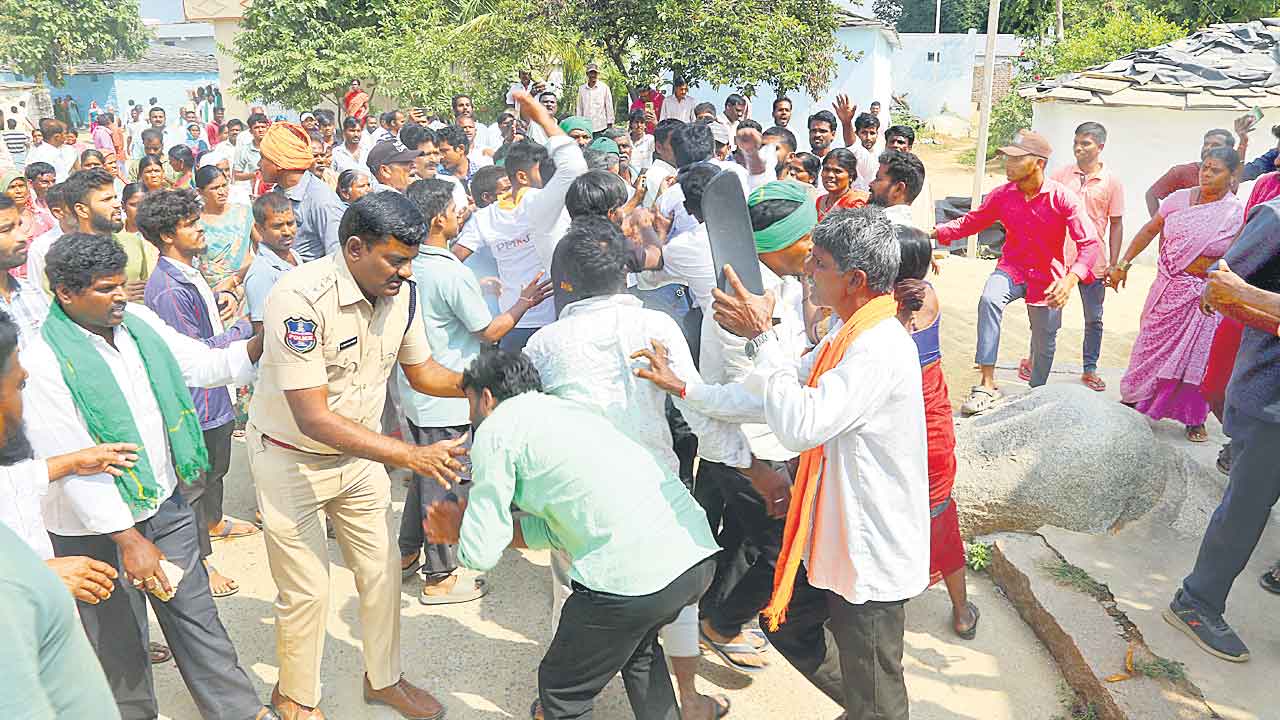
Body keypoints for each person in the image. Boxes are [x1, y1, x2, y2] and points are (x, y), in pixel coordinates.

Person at [637, 206, 928, 720]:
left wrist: (761, 335)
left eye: (819, 263)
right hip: (833, 535)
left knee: (880, 692)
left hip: (870, 548)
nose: (808, 272)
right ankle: (864, 705)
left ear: (855, 279)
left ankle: (871, 708)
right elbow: (768, 397)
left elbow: (798, 423)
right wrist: (684, 387)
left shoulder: (879, 346)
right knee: (788, 624)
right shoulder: (847, 334)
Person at [24, 231, 277, 720]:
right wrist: (128, 540)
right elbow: (80, 466)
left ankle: (240, 711)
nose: (120, 296)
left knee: (196, 617)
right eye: (104, 288)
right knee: (119, 640)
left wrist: (262, 339)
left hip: (164, 502)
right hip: (93, 530)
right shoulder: (44, 361)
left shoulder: (138, 323)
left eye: (121, 284)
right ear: (66, 293)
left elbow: (202, 364)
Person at [247, 191, 465, 720]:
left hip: (360, 458)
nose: (406, 272)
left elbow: (423, 372)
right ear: (353, 248)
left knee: (382, 572)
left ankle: (384, 679)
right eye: (395, 259)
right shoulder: (298, 299)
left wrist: (483, 384)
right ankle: (296, 696)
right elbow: (313, 418)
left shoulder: (402, 293)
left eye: (410, 260)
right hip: (290, 457)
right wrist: (409, 456)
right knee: (308, 589)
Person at [526, 216, 751, 719]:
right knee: (646, 629)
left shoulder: (544, 345)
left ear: (564, 285)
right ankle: (683, 701)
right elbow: (699, 411)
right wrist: (748, 463)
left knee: (572, 644)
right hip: (666, 509)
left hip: (590, 517)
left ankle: (569, 688)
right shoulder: (657, 324)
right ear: (627, 274)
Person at [424, 348, 718, 720]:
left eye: (470, 406)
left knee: (562, 688)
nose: (472, 418)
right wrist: (487, 527)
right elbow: (562, 526)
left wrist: (457, 530)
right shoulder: (570, 411)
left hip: (629, 582)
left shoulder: (496, 429)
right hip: (692, 559)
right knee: (638, 650)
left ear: (485, 397)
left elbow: (481, 554)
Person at [396, 178, 550, 606]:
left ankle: (406, 552)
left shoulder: (410, 264)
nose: (460, 213)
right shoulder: (450, 271)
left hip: (417, 393)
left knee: (425, 473)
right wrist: (525, 302)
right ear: (438, 219)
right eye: (454, 208)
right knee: (445, 481)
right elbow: (490, 330)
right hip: (446, 394)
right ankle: (440, 575)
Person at [1163, 197, 1280, 664]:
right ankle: (1196, 602)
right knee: (1246, 511)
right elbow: (1220, 290)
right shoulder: (1275, 217)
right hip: (1270, 399)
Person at [138, 189, 260, 599]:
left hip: (215, 397)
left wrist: (221, 305)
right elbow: (196, 354)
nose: (200, 228)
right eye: (191, 225)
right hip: (198, 403)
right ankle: (200, 564)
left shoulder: (187, 273)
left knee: (215, 475)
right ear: (168, 236)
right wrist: (245, 329)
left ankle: (214, 525)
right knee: (193, 487)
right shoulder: (169, 290)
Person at [930, 130, 1098, 416]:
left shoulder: (1063, 198)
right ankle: (986, 384)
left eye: (1016, 159)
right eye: (1007, 157)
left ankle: (1037, 393)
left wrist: (1070, 281)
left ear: (1039, 163)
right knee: (989, 299)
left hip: (1049, 277)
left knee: (1045, 340)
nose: (1008, 164)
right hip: (1013, 268)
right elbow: (972, 222)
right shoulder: (1002, 195)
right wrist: (934, 233)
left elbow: (1090, 243)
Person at [1108, 146, 1244, 443]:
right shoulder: (1177, 200)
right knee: (1149, 344)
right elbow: (1148, 231)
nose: (1206, 174)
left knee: (1198, 356)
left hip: (1206, 297)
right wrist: (1123, 264)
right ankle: (1134, 399)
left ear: (1232, 176)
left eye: (1216, 170)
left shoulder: (1235, 213)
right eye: (1204, 167)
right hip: (1169, 287)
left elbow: (1236, 256)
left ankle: (1194, 418)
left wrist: (1217, 287)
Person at [893, 225, 978, 638]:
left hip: (895, 425)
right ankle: (962, 610)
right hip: (932, 425)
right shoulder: (928, 296)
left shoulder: (876, 308)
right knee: (940, 516)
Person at [451, 91, 586, 350]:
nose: (547, 174)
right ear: (522, 176)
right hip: (550, 320)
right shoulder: (536, 203)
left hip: (512, 321)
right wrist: (542, 118)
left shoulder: (483, 217)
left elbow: (452, 259)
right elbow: (574, 168)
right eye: (542, 168)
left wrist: (473, 285)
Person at [1037, 121, 1124, 393]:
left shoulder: (1112, 181)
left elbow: (1117, 223)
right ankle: (1037, 363)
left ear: (1100, 147)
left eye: (1085, 143)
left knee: (1094, 318)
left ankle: (1089, 369)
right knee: (1048, 314)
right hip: (1059, 260)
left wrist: (1113, 263)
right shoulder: (1061, 175)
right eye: (1076, 142)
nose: (1078, 148)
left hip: (1094, 262)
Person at [260, 122, 346, 262]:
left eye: (263, 158)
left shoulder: (322, 201)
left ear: (279, 162)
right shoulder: (278, 193)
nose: (259, 164)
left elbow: (338, 257)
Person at [243, 191, 301, 336]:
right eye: (277, 226)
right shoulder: (261, 274)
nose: (287, 231)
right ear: (259, 229)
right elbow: (261, 332)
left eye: (290, 223)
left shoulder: (294, 255)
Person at [1146, 128, 1235, 214]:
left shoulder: (1231, 175)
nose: (1208, 148)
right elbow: (1151, 195)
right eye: (1206, 144)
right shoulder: (1181, 172)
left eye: (1216, 145)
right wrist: (1161, 226)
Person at [196, 164, 254, 293]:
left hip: (244, 284)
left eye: (224, 185)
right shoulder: (194, 222)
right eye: (215, 188)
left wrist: (234, 280)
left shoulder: (244, 213)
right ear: (200, 192)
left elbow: (263, 250)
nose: (222, 192)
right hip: (211, 290)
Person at [869, 149, 926, 228]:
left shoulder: (876, 229)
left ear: (898, 189)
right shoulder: (912, 233)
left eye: (878, 179)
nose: (871, 184)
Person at [816, 148, 869, 221]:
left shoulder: (857, 202)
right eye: (826, 169)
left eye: (837, 171)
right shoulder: (820, 201)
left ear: (850, 176)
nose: (830, 175)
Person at [642, 118, 683, 207]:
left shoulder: (674, 172)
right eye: (676, 142)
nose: (682, 147)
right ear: (659, 147)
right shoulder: (658, 175)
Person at [575, 63, 615, 135]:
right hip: (586, 126)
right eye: (591, 73)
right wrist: (579, 123)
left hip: (601, 126)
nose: (593, 75)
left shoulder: (604, 88)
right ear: (587, 74)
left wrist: (610, 122)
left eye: (595, 73)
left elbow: (609, 106)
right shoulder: (582, 89)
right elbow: (579, 107)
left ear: (597, 74)